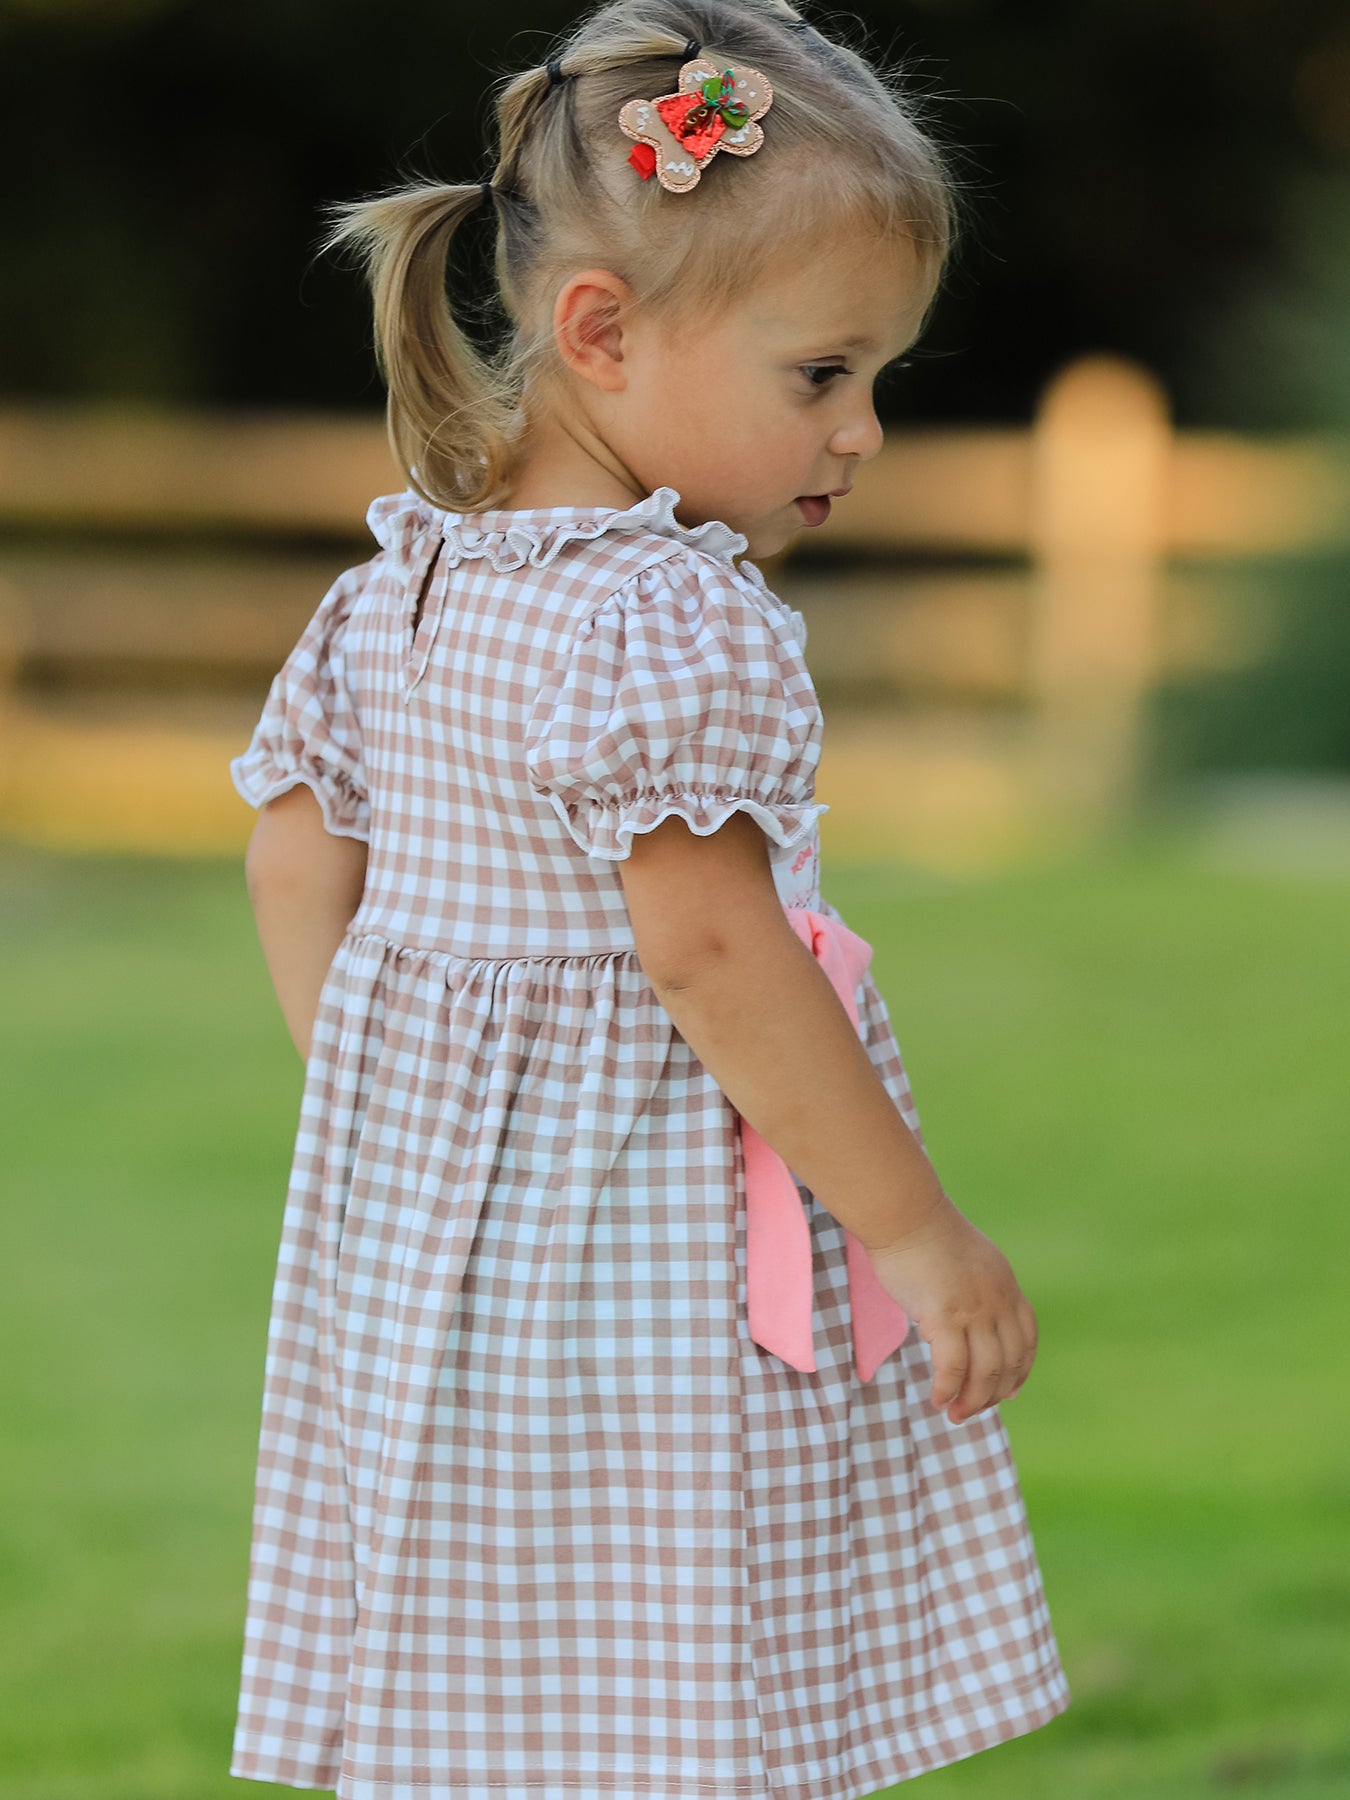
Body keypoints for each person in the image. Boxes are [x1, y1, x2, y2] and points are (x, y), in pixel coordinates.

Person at [227, 3, 1071, 1795]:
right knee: (677, 1617)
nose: (859, 433)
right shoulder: (667, 617)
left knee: (497, 1651)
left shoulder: (409, 584)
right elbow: (703, 947)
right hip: (638, 1239)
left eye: (877, 381)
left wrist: (381, 1106)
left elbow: (294, 856)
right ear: (600, 333)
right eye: (821, 374)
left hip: (435, 1247)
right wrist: (915, 1233)